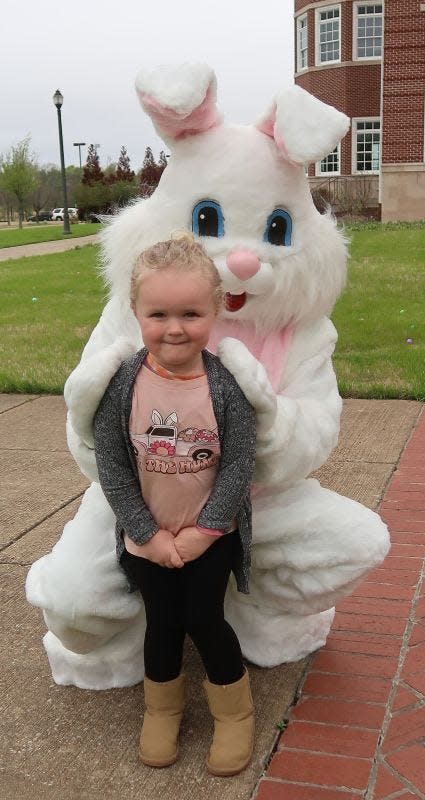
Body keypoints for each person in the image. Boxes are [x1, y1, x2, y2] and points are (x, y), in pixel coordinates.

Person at [93, 234, 256, 776]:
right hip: (148, 536)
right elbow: (113, 464)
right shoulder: (123, 384)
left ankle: (235, 716)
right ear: (135, 312)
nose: (175, 327)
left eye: (191, 313)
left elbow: (238, 464)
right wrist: (147, 533)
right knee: (161, 621)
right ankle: (162, 710)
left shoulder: (226, 386)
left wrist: (203, 531)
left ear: (215, 311)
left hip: (211, 535)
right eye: (158, 313)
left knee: (205, 618)